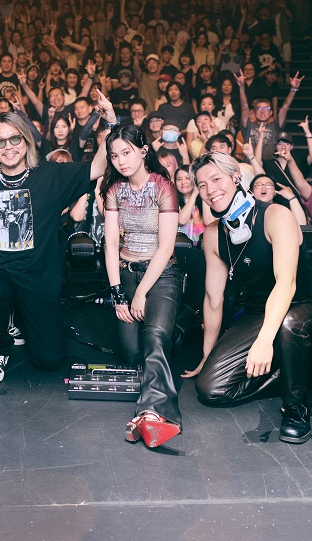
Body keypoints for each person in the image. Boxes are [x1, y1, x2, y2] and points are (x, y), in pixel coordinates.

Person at [0, 93, 117, 383]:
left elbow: (99, 167)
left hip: (39, 278)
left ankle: (20, 319)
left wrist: (111, 123)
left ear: (26, 140)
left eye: (14, 139)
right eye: (0, 142)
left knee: (49, 359)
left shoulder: (51, 175)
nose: (8, 147)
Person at [185, 152, 312, 444]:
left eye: (216, 179)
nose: (210, 190)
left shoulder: (276, 215)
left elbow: (287, 283)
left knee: (288, 324)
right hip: (257, 312)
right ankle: (296, 370)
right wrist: (207, 354)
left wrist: (264, 341)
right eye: (202, 185)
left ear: (236, 178)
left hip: (298, 306)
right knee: (210, 389)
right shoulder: (213, 234)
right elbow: (213, 299)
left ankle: (296, 406)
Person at [102, 125, 182, 448]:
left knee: (154, 340)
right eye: (114, 156)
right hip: (126, 273)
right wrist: (119, 294)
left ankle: (153, 414)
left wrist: (140, 294)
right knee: (132, 354)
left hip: (161, 274)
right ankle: (177, 328)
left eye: (127, 152)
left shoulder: (163, 186)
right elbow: (110, 245)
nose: (121, 161)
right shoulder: (114, 189)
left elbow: (166, 247)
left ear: (143, 151)